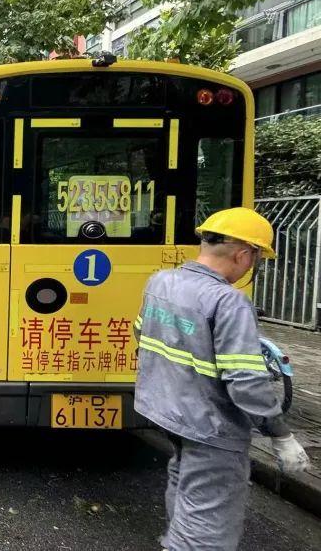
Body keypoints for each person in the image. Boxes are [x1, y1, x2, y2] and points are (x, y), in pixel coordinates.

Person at [133, 207, 311, 550]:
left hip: (165, 410)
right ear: (244, 254)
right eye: (257, 258)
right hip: (210, 424)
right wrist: (280, 435)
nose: (254, 266)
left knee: (184, 483)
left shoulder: (161, 282)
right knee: (207, 527)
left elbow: (143, 335)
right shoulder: (229, 302)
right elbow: (245, 380)